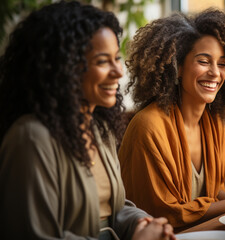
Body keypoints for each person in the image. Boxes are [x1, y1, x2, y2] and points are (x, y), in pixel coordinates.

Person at [0, 1, 174, 239]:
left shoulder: (99, 127)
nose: (118, 71)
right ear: (63, 67)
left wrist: (142, 223)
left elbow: (112, 208)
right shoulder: (31, 138)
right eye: (103, 61)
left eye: (116, 58)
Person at [119, 9, 225, 229]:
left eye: (223, 63)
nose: (215, 73)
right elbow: (164, 213)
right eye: (204, 61)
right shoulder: (149, 125)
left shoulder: (213, 123)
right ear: (177, 66)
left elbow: (213, 192)